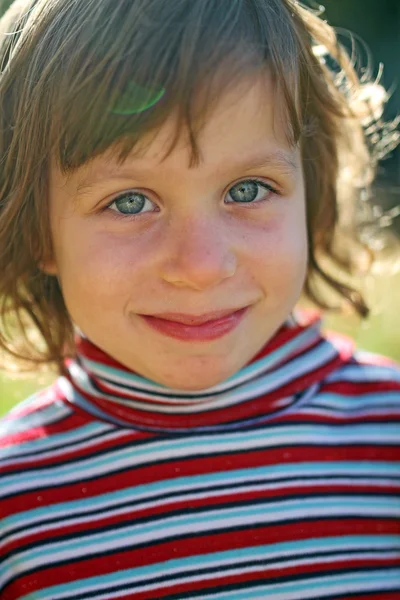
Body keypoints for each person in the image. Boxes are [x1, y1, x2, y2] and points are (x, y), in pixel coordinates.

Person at [0, 0, 399, 598]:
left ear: (311, 196)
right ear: (38, 232)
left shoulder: (386, 441)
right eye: (130, 201)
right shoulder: (14, 507)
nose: (201, 267)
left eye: (248, 189)